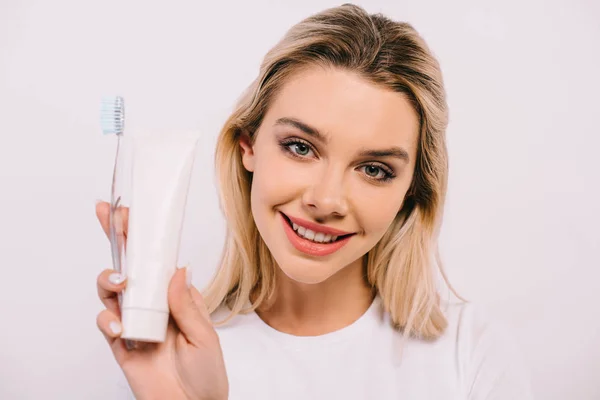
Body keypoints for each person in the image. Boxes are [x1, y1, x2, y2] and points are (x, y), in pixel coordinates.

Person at [95, 4, 534, 399]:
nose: (326, 201)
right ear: (248, 145)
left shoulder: (471, 352)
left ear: (410, 191)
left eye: (374, 169)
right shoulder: (167, 358)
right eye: (301, 147)